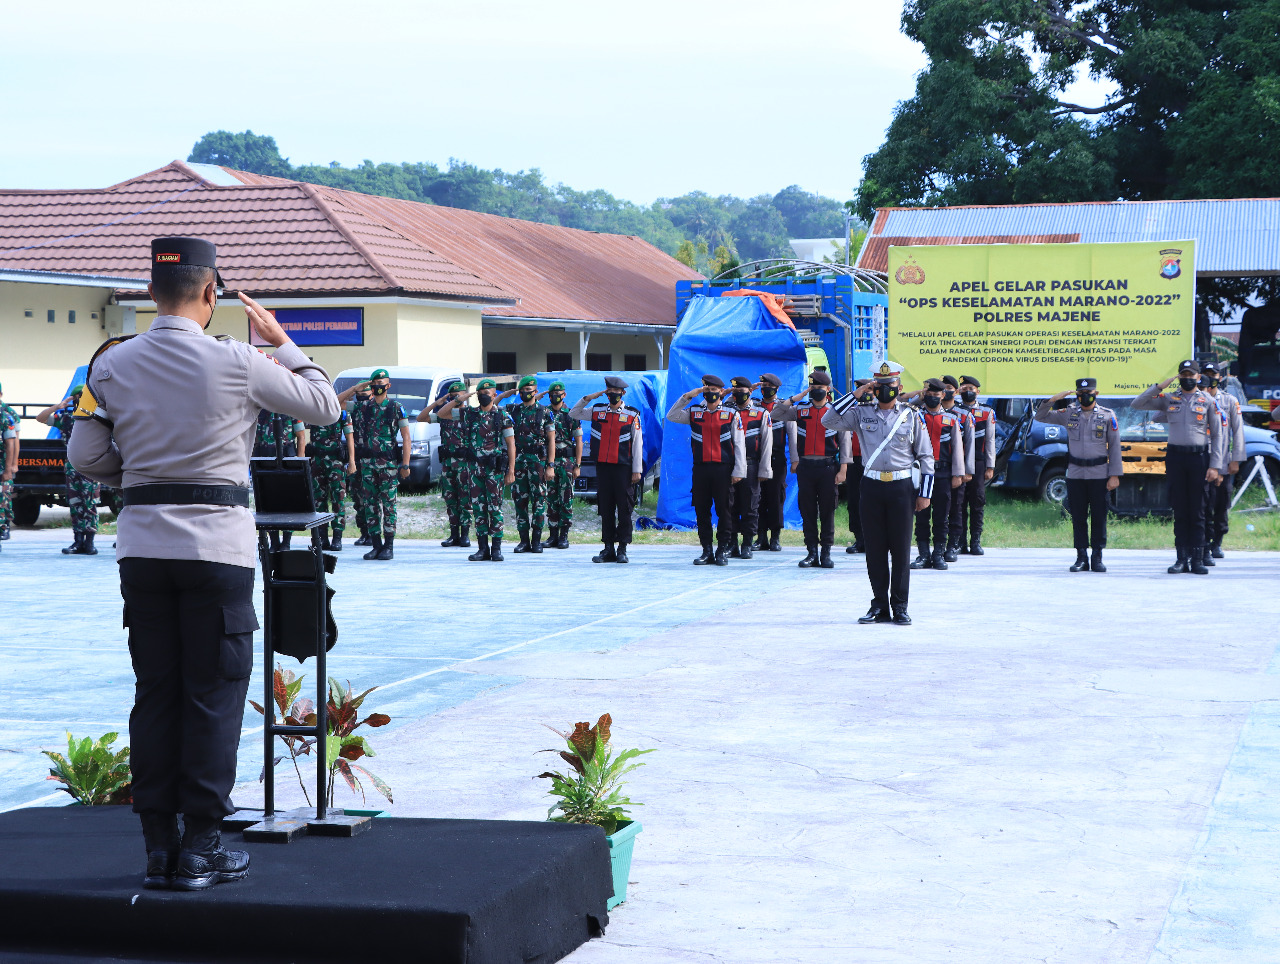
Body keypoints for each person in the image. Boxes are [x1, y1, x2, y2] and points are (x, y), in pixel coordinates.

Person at [67, 236, 339, 890]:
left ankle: (159, 846)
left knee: (156, 693)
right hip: (216, 551)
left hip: (143, 551)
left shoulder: (109, 366)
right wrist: (283, 342)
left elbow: (84, 454)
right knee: (213, 697)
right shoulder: (241, 361)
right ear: (211, 294)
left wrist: (136, 476)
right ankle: (203, 848)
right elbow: (323, 406)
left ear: (151, 292)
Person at [825, 362, 934, 624]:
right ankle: (879, 605)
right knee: (874, 550)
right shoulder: (861, 414)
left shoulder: (911, 415)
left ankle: (900, 606)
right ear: (873, 387)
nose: (886, 390)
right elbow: (828, 419)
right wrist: (857, 393)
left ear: (900, 387)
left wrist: (925, 494)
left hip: (901, 487)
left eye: (890, 386)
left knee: (900, 550)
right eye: (880, 386)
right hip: (871, 486)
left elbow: (926, 456)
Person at [1131, 359, 1226, 574]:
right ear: (1179, 377)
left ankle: (1198, 558)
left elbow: (1218, 435)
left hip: (1199, 459)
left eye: (1191, 375)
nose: (1187, 379)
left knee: (1198, 510)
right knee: (1180, 508)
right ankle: (1181, 558)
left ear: (1198, 377)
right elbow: (1137, 404)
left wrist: (1215, 466)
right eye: (1183, 375)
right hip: (1176, 458)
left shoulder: (1208, 401)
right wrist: (1159, 387)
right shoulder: (1169, 399)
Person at [1035, 379, 1123, 572]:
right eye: (1081, 392)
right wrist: (1054, 399)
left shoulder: (1108, 416)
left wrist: (1115, 474)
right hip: (1075, 473)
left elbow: (1115, 447)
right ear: (1076, 394)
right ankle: (1081, 557)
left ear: (1096, 393)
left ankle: (1097, 556)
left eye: (1088, 391)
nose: (1085, 395)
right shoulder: (1068, 413)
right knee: (1078, 516)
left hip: (1100, 473)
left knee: (1099, 516)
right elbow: (1040, 416)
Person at [769, 371, 851, 569]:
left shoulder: (836, 411)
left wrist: (843, 469)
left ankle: (826, 553)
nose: (816, 392)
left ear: (828, 390)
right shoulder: (801, 410)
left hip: (828, 467)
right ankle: (811, 552)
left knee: (827, 511)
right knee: (807, 511)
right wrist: (796, 397)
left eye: (819, 389)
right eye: (812, 389)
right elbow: (775, 413)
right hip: (806, 467)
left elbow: (845, 441)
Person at [667, 375, 746, 566]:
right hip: (701, 469)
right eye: (707, 390)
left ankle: (722, 551)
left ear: (721, 391)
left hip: (723, 469)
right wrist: (688, 396)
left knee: (724, 510)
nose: (711, 393)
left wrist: (739, 470)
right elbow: (671, 415)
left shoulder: (731, 413)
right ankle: (706, 550)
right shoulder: (694, 412)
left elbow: (739, 443)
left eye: (714, 390)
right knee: (702, 511)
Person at [436, 378, 515, 561]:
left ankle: (496, 549)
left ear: (494, 395)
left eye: (487, 394)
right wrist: (458, 399)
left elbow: (511, 444)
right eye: (480, 393)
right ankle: (482, 549)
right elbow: (441, 414)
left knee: (495, 508)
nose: (483, 396)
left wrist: (511, 470)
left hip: (493, 470)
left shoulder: (501, 416)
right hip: (474, 469)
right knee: (478, 509)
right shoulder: (469, 413)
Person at [338, 370, 411, 561]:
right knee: (370, 505)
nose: (377, 385)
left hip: (388, 465)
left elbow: (406, 437)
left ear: (388, 386)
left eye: (381, 382)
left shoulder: (396, 407)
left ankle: (388, 546)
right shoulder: (363, 407)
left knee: (389, 506)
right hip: (368, 466)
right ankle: (376, 545)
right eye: (374, 382)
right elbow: (336, 403)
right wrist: (356, 388)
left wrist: (405, 464)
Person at [570, 377, 643, 564]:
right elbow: (574, 413)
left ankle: (622, 549)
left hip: (624, 468)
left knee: (625, 509)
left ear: (623, 393)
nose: (612, 394)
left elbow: (637, 444)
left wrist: (637, 470)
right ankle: (608, 547)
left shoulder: (631, 415)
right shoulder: (597, 411)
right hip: (603, 467)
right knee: (606, 508)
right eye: (609, 391)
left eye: (616, 391)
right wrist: (589, 397)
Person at [909, 379, 966, 571]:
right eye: (929, 395)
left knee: (942, 517)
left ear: (943, 396)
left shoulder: (951, 419)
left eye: (937, 395)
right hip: (920, 473)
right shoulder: (915, 416)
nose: (933, 398)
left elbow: (958, 449)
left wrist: (958, 473)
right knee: (921, 515)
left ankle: (938, 554)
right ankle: (923, 555)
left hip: (942, 473)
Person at [37, 388, 102, 555]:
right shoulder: (66, 418)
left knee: (90, 504)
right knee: (75, 504)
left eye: (83, 396)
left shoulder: (96, 417)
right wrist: (57, 406)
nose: (80, 400)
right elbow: (41, 418)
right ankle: (77, 541)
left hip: (91, 468)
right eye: (77, 397)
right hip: (72, 469)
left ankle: (89, 542)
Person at [1199, 361, 1245, 561]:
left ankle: (1217, 542)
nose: (1211, 377)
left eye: (1214, 374)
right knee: (1203, 504)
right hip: (1200, 460)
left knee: (1221, 503)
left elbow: (1238, 431)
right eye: (1207, 374)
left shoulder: (1229, 400)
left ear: (1220, 376)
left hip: (1222, 460)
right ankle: (1203, 544)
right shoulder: (1194, 399)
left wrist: (1236, 459)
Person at [504, 376, 556, 554]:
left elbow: (551, 441)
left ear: (535, 391)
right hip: (518, 463)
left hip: (538, 463)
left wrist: (550, 465)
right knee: (520, 502)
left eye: (530, 390)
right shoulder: (512, 410)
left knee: (539, 502)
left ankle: (536, 541)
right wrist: (508, 393)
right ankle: (523, 541)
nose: (526, 393)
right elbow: (493, 406)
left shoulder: (545, 412)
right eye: (523, 390)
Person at [419, 380, 472, 549]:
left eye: (460, 395)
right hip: (448, 463)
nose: (458, 398)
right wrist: (437, 403)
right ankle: (453, 534)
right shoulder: (444, 416)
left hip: (464, 464)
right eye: (454, 396)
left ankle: (465, 535)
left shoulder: (470, 413)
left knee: (465, 499)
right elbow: (422, 417)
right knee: (450, 499)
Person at [726, 376, 772, 559]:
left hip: (751, 464)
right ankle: (732, 543)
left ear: (750, 392)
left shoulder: (761, 413)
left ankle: (747, 543)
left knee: (750, 505)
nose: (738, 395)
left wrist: (765, 469)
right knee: (730, 505)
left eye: (741, 391)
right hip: (729, 465)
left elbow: (767, 443)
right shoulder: (727, 410)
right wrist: (729, 393)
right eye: (735, 392)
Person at [953, 376, 995, 555]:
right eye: (963, 388)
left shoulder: (987, 412)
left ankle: (975, 541)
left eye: (970, 388)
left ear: (978, 391)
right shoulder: (954, 411)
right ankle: (960, 542)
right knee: (958, 503)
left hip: (978, 462)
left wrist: (990, 466)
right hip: (958, 462)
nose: (967, 391)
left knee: (977, 502)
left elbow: (991, 440)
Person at [305, 405, 355, 552]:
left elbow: (349, 437)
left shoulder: (341, 414)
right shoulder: (312, 410)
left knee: (338, 499)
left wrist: (351, 461)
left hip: (335, 462)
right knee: (318, 500)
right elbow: (303, 433)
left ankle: (337, 537)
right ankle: (322, 537)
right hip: (317, 461)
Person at [541, 380, 583, 549]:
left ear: (564, 395)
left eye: (559, 394)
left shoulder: (571, 414)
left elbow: (579, 441)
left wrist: (578, 465)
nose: (555, 397)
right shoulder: (544, 413)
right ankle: (552, 535)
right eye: (552, 394)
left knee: (566, 498)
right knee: (551, 499)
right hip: (549, 462)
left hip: (567, 462)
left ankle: (564, 535)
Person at [940, 376, 975, 561]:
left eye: (948, 387)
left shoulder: (964, 415)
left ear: (955, 391)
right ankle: (934, 547)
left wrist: (966, 471)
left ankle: (953, 545)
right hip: (934, 470)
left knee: (956, 508)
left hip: (955, 469)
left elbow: (969, 445)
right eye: (942, 388)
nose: (945, 391)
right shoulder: (927, 412)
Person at [754, 373, 787, 552]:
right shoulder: (755, 405)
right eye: (762, 385)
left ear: (776, 388)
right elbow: (730, 404)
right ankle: (760, 537)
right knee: (758, 498)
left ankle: (775, 537)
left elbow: (793, 435)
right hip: (756, 459)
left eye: (768, 385)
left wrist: (795, 460)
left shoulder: (782, 407)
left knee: (775, 498)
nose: (764, 388)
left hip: (776, 459)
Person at [844, 378, 871, 555]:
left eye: (867, 392)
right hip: (854, 462)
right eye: (861, 392)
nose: (864, 396)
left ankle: (873, 539)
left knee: (872, 503)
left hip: (873, 464)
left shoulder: (880, 411)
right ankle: (859, 538)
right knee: (854, 502)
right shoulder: (851, 412)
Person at [348, 383, 373, 546]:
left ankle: (373, 533)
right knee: (358, 497)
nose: (362, 396)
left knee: (371, 498)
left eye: (365, 393)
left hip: (373, 460)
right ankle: (364, 532)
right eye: (359, 393)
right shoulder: (355, 408)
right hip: (356, 459)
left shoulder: (377, 408)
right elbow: (336, 402)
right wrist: (352, 390)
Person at [1, 384, 21, 541]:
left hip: (3, 463)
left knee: (4, 496)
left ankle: (4, 525)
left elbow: (14, 442)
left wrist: (12, 465)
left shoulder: (7, 414)